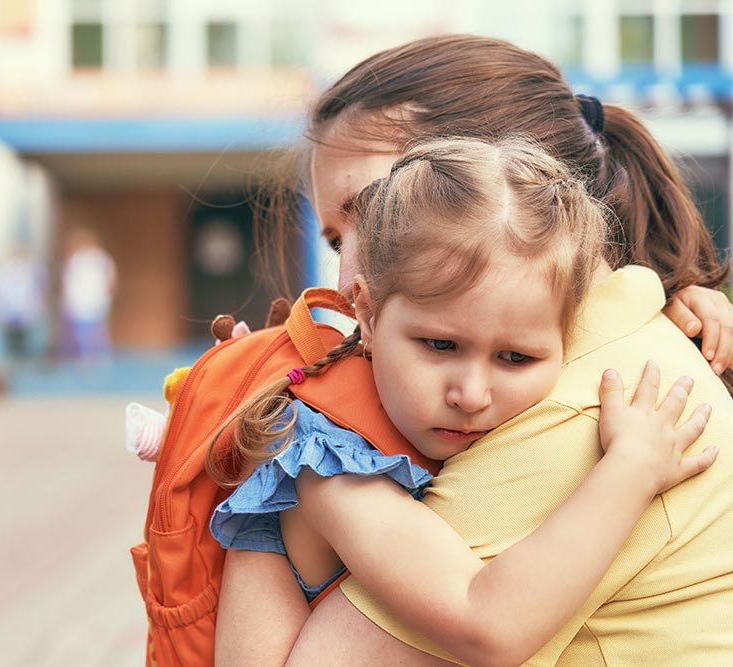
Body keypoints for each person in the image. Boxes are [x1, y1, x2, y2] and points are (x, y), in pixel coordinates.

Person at [225, 35, 733, 665]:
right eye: (336, 237)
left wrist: (299, 469)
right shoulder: (604, 346)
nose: (344, 278)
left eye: (377, 207)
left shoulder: (584, 415)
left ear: (512, 180)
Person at [59, 228, 117, 362]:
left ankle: (102, 357)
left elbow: (111, 280)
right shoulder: (75, 259)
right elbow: (68, 281)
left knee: (98, 331)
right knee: (82, 333)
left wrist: (110, 296)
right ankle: (85, 357)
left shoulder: (102, 259)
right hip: (80, 302)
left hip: (97, 300)